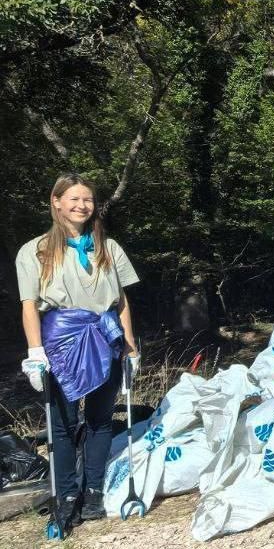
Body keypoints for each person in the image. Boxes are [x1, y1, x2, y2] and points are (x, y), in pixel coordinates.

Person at [17, 174, 141, 527]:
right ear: (56, 202)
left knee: (101, 420)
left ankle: (94, 493)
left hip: (105, 336)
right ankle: (67, 494)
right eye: (73, 199)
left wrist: (130, 348)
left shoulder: (109, 247)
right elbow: (29, 305)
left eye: (87, 199)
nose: (81, 205)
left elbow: (121, 302)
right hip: (60, 342)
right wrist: (35, 352)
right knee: (63, 424)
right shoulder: (35, 250)